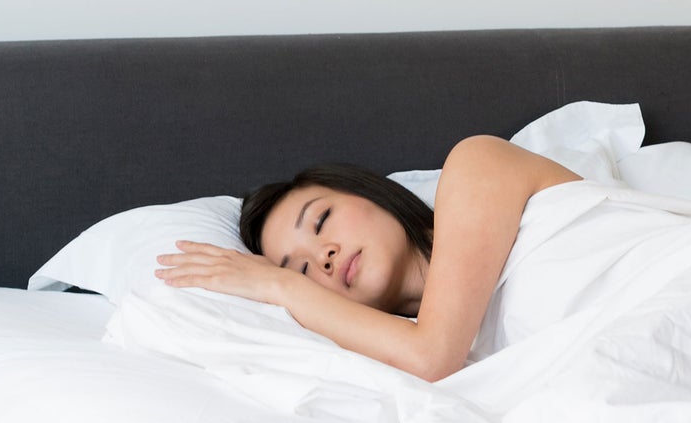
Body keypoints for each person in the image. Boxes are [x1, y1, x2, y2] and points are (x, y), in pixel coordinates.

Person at [155, 135, 578, 381]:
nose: (324, 257)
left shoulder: (477, 161)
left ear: (369, 193)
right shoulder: (419, 344)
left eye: (321, 221)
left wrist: (281, 283)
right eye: (302, 270)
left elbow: (430, 357)